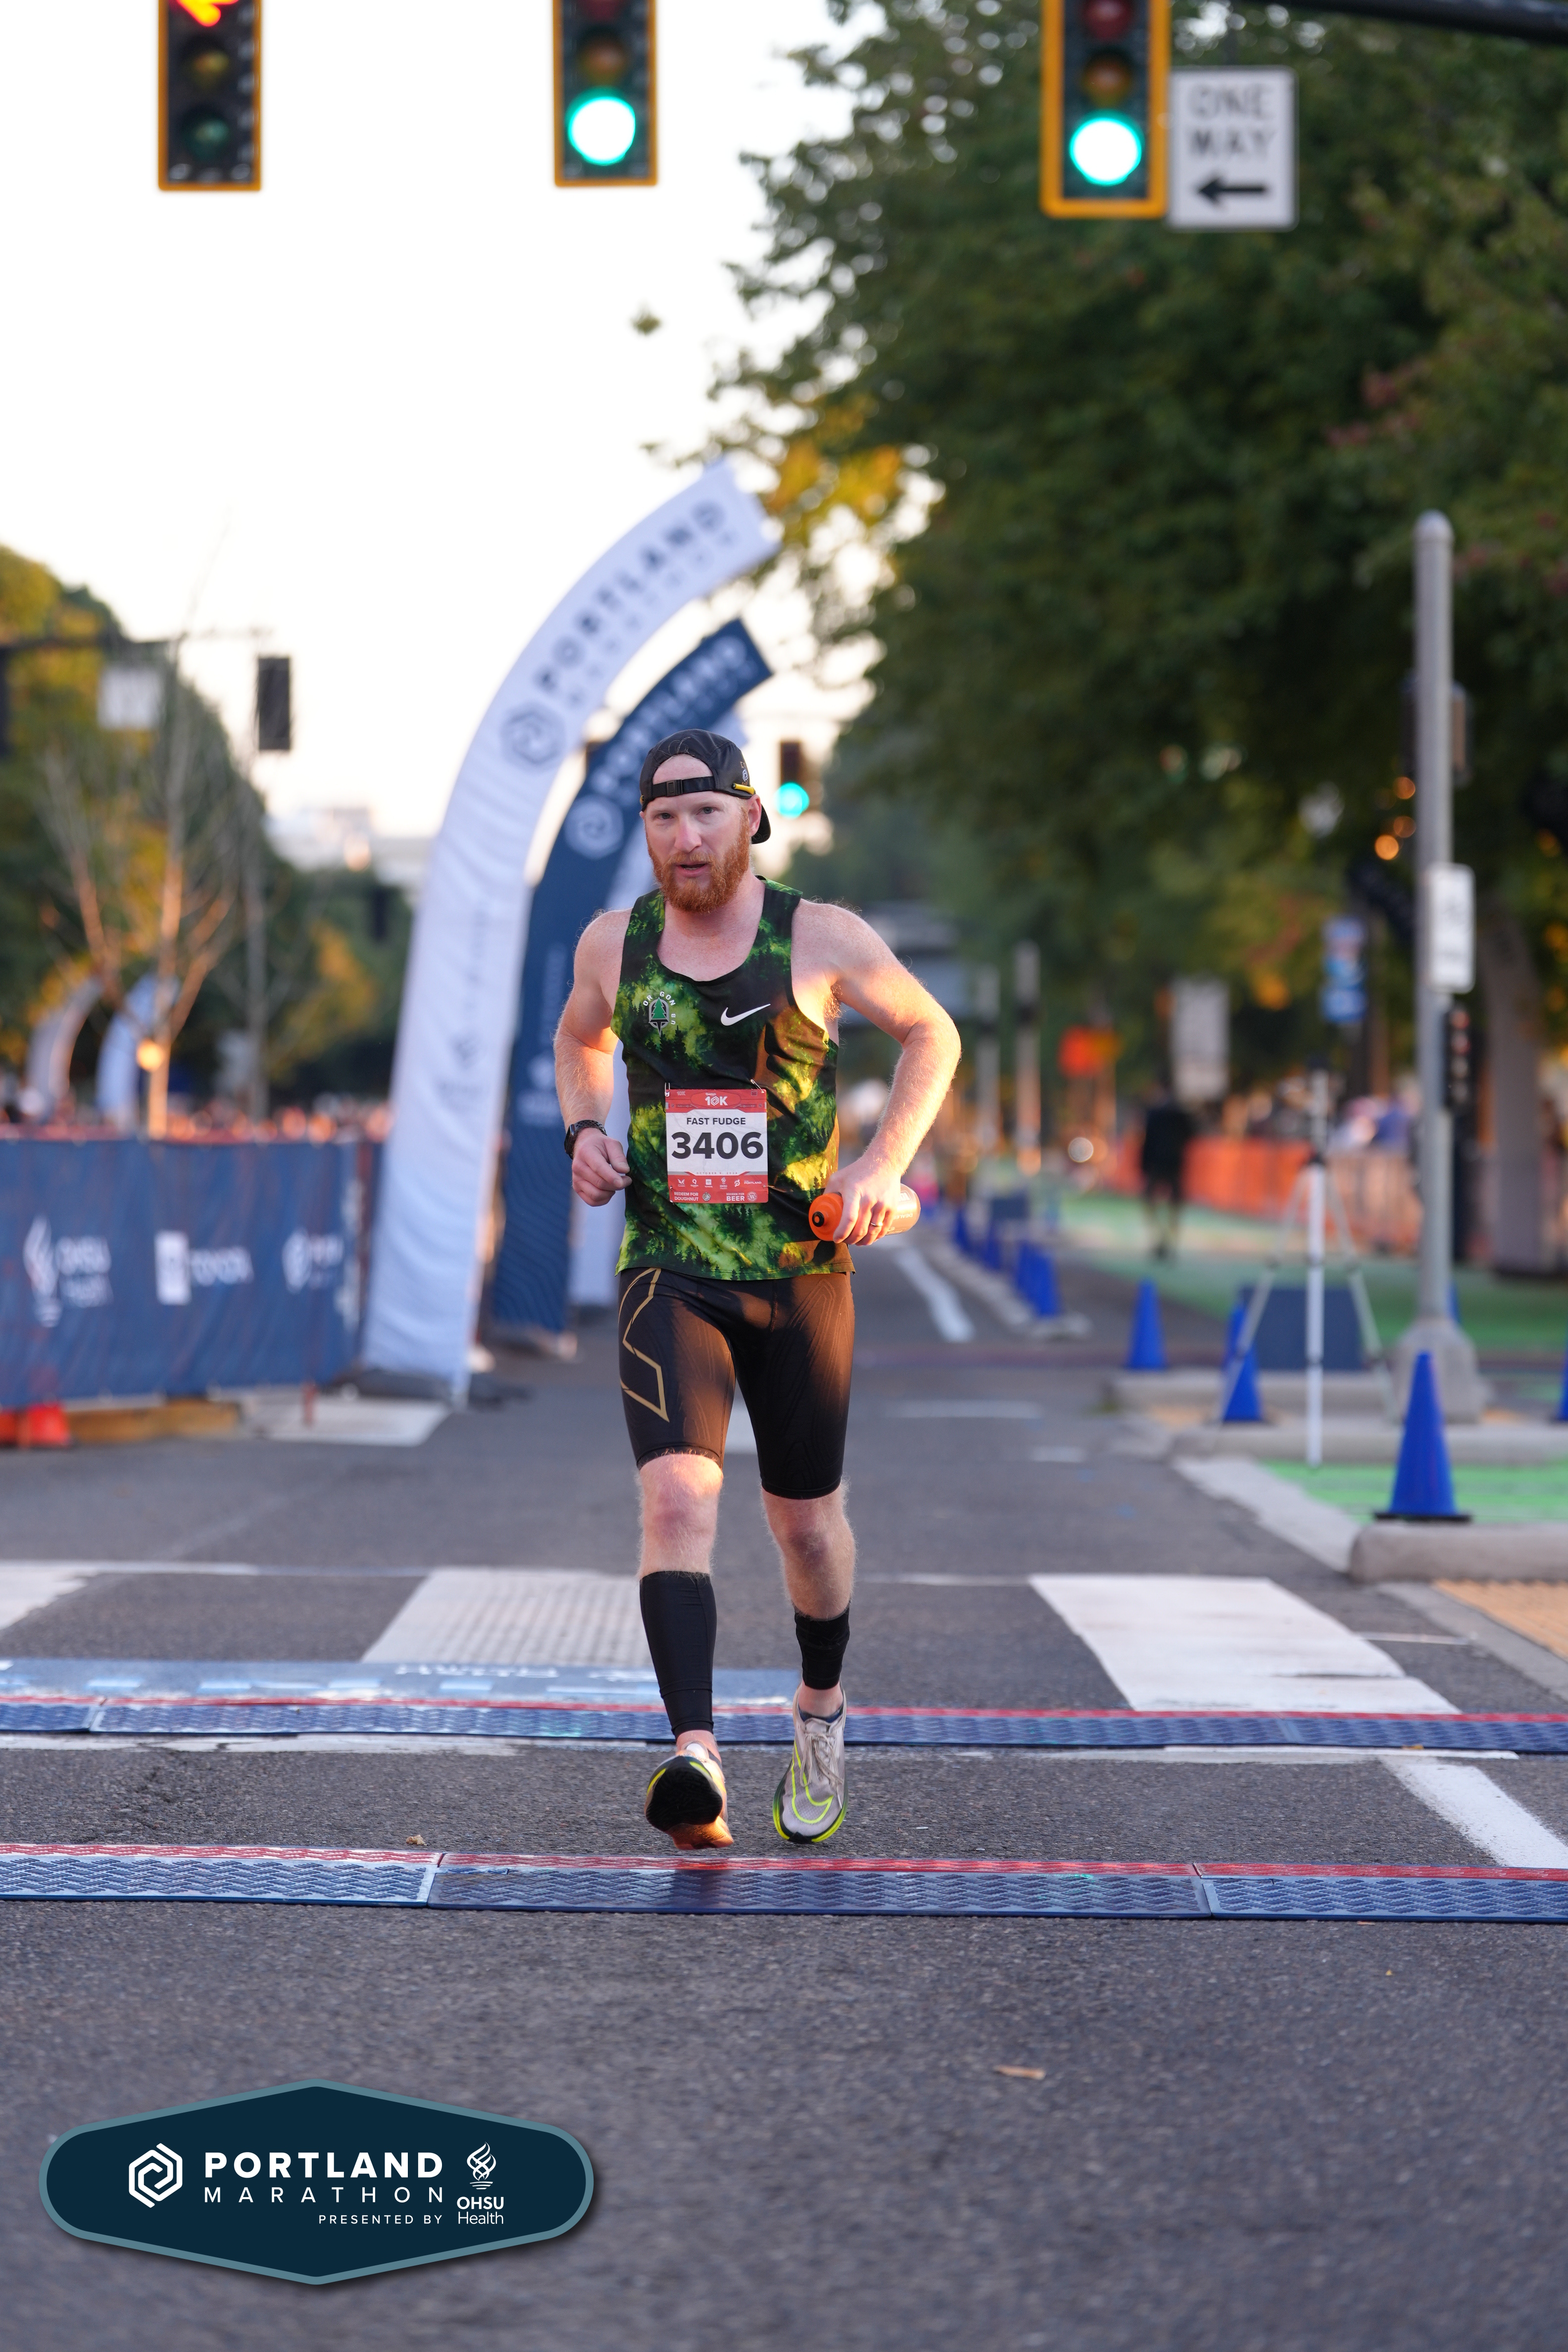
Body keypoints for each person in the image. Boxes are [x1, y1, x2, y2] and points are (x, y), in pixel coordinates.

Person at [555, 730, 960, 1850]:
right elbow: (579, 1038)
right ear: (646, 834)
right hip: (669, 1263)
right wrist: (583, 1129)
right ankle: (695, 1752)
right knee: (676, 1500)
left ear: (750, 818)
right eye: (663, 819)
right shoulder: (613, 943)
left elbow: (930, 1030)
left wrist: (878, 1167)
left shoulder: (818, 936)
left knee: (806, 1527)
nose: (685, 838)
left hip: (798, 1271)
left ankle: (819, 1709)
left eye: (705, 815)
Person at [1139, 1084, 1195, 1259]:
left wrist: (1144, 1165)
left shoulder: (1156, 1114)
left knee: (1152, 1201)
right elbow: (1191, 1135)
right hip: (1173, 1164)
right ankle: (1167, 1240)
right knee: (1172, 1204)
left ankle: (1163, 1239)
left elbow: (1147, 1141)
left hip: (1161, 1164)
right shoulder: (1180, 1115)